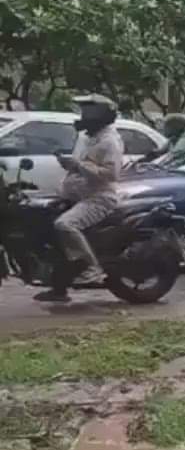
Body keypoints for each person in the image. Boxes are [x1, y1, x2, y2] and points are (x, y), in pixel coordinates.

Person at [36, 94, 125, 303]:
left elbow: (111, 174)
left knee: (65, 225)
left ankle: (92, 268)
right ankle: (58, 288)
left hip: (98, 198)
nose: (83, 116)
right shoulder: (88, 138)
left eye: (87, 112)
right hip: (77, 195)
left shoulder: (109, 141)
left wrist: (77, 165)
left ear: (101, 116)